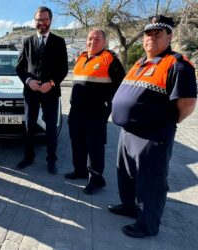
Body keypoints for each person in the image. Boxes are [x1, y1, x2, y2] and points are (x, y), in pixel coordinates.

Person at [109, 15, 197, 238]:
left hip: (152, 135)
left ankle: (147, 225)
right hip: (128, 132)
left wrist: (162, 122)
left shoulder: (177, 65)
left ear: (170, 36)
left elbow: (187, 105)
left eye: (158, 34)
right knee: (127, 176)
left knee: (151, 182)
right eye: (148, 34)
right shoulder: (141, 63)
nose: (151, 38)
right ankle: (129, 206)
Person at [64, 29, 125, 194]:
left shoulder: (110, 59)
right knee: (77, 142)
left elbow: (121, 88)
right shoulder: (82, 57)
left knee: (95, 147)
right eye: (90, 39)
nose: (92, 42)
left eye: (97, 39)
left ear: (104, 42)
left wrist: (108, 109)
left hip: (96, 112)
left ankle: (97, 179)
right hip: (76, 111)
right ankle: (80, 171)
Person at [16, 6, 68, 174]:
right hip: (31, 92)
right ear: (35, 21)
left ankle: (51, 160)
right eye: (39, 20)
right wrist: (28, 81)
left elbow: (63, 69)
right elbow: (19, 68)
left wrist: (52, 83)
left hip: (50, 92)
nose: (42, 23)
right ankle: (28, 157)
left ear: (50, 21)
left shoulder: (59, 42)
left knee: (51, 127)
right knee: (29, 126)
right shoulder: (27, 41)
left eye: (45, 19)